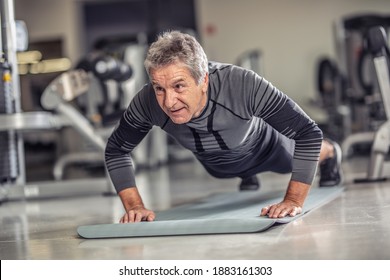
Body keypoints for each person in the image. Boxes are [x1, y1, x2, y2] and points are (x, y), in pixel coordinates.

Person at [105, 30, 342, 223]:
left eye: (179, 86)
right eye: (159, 88)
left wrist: (293, 200)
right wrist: (135, 206)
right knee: (222, 169)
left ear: (204, 80)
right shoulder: (146, 101)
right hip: (217, 164)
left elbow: (308, 134)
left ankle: (331, 151)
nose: (168, 102)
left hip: (267, 148)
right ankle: (246, 173)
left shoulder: (242, 84)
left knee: (292, 159)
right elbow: (116, 149)